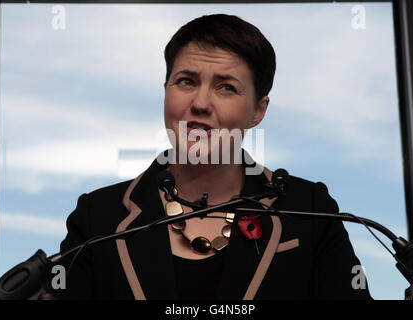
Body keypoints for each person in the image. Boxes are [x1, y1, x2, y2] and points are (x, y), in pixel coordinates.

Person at [57, 14, 372, 300]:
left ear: (258, 110)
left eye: (226, 88)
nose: (201, 103)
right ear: (165, 90)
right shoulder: (97, 217)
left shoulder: (310, 210)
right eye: (186, 81)